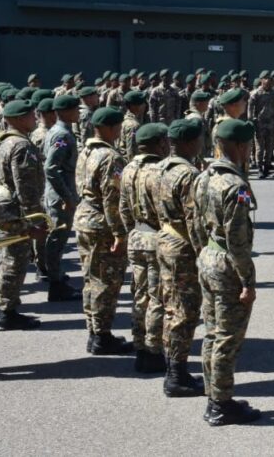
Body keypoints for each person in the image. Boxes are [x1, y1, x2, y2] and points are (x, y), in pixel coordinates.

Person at [192, 118, 261, 425]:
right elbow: (238, 241)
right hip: (227, 264)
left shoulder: (204, 176)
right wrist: (248, 281)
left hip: (208, 256)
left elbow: (195, 223)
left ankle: (213, 393)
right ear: (239, 145)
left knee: (212, 333)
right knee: (228, 337)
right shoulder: (235, 185)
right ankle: (221, 404)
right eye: (247, 144)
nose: (248, 150)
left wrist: (202, 255)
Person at [155, 118, 207, 397]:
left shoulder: (160, 166)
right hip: (183, 247)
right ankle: (176, 375)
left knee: (170, 307)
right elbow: (194, 221)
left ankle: (173, 367)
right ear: (191, 142)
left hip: (164, 240)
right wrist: (204, 254)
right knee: (185, 312)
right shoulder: (189, 175)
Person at [76, 106, 133, 355]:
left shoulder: (86, 151)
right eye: (118, 127)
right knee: (106, 282)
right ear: (111, 128)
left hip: (85, 217)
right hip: (102, 224)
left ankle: (94, 331)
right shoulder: (111, 158)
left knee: (91, 279)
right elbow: (112, 199)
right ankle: (101, 336)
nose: (120, 131)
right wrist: (120, 233)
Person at [120, 122, 169, 373]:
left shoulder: (128, 168)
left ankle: (139, 345)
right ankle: (153, 350)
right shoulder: (160, 171)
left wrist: (131, 231)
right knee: (157, 297)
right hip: (156, 238)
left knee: (139, 295)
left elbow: (123, 209)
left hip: (136, 236)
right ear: (161, 144)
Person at [0, 100, 48, 331]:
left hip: (7, 205)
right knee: (15, 262)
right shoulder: (21, 146)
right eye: (29, 115)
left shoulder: (5, 141)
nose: (34, 118)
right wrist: (33, 220)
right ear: (16, 119)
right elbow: (26, 187)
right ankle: (6, 311)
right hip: (15, 209)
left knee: (9, 260)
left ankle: (6, 307)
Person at [41, 94, 85, 301]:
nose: (78, 112)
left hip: (59, 191)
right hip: (60, 194)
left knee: (57, 238)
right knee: (57, 238)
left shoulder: (58, 131)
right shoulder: (62, 136)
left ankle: (56, 277)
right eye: (76, 109)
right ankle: (55, 285)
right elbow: (51, 168)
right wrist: (67, 196)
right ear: (65, 112)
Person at [248, 73, 274, 179]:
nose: (267, 81)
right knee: (259, 147)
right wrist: (251, 120)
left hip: (271, 124)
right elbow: (250, 108)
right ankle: (259, 168)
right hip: (260, 123)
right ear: (261, 80)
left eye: (269, 79)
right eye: (265, 78)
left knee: (269, 146)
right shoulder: (256, 93)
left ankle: (267, 168)